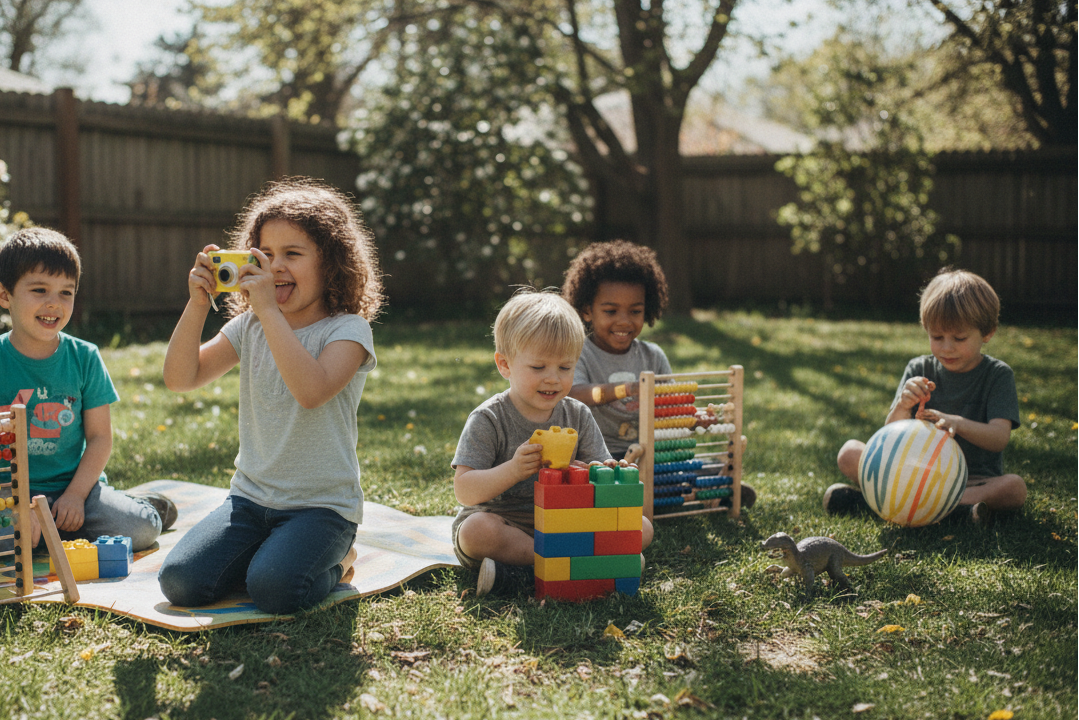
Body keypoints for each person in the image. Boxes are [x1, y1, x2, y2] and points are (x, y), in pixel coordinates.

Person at [157, 178, 382, 614]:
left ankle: (341, 561)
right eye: (266, 255)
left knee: (275, 590)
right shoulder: (251, 328)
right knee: (180, 582)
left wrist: (267, 311)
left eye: (292, 255)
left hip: (322, 509)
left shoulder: (348, 330)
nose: (276, 267)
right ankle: (272, 554)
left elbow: (311, 391)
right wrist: (198, 304)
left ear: (332, 263)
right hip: (248, 502)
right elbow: (180, 378)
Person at [452, 289, 654, 597]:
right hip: (508, 523)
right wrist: (513, 470)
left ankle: (521, 575)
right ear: (504, 365)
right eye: (538, 367)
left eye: (565, 367)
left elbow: (596, 467)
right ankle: (573, 566)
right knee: (475, 532)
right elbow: (465, 490)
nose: (553, 379)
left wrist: (609, 471)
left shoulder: (578, 414)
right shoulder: (489, 418)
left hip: (567, 522)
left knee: (642, 528)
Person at [0, 228, 173, 553]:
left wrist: (76, 496)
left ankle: (150, 505)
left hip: (77, 487)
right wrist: (17, 506)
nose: (54, 303)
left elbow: (99, 438)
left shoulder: (85, 357)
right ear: (4, 295)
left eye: (66, 292)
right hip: (9, 491)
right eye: (39, 289)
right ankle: (47, 531)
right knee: (8, 539)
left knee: (140, 530)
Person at [562, 240, 756, 507]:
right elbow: (576, 394)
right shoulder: (580, 353)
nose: (624, 321)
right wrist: (626, 389)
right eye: (610, 311)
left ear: (648, 309)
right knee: (593, 483)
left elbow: (672, 409)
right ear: (586, 311)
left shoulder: (652, 356)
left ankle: (712, 485)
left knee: (672, 474)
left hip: (648, 455)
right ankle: (669, 493)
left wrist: (695, 418)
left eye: (635, 311)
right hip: (598, 457)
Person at [827, 268, 1026, 524]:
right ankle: (953, 511)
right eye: (937, 336)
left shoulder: (997, 375)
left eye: (959, 337)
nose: (946, 347)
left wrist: (957, 423)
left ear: (987, 333)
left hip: (971, 479)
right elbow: (888, 436)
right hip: (911, 470)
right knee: (849, 452)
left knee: (1014, 488)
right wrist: (903, 404)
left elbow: (999, 438)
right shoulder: (918, 369)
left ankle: (892, 504)